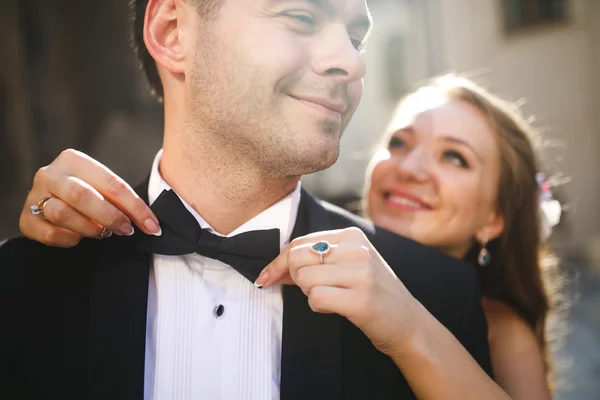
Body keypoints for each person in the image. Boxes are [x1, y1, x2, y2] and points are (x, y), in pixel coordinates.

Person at [0, 1, 497, 399]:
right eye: (302, 17)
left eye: (356, 37)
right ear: (174, 31)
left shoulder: (431, 301)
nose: (352, 61)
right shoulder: (24, 284)